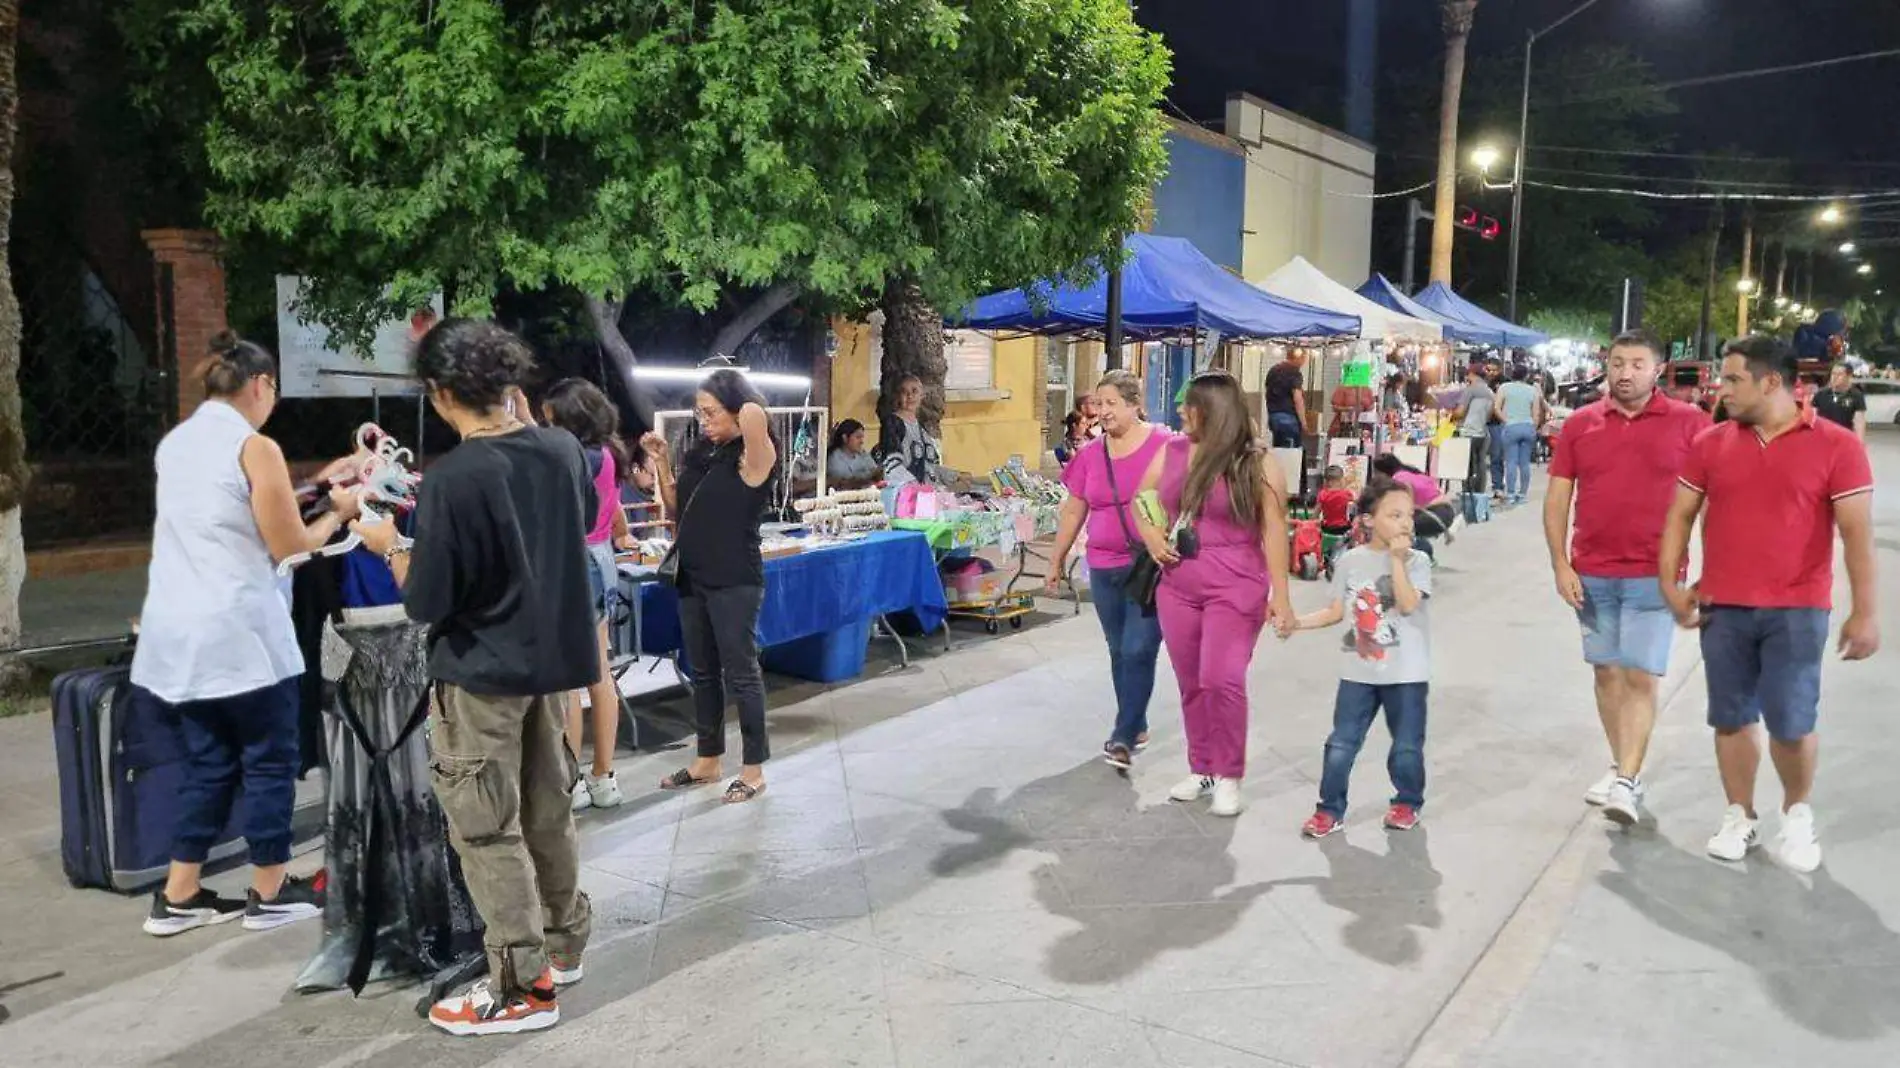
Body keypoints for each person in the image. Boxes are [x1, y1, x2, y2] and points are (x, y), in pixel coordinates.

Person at [352, 318, 597, 1036]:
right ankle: (562, 944)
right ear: (509, 384)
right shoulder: (561, 451)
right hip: (548, 669)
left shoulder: (454, 478)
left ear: (439, 393)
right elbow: (570, 523)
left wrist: (388, 542)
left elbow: (427, 601)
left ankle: (522, 987)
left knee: (488, 832)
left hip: (482, 676)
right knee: (547, 809)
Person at [133, 332, 355, 938]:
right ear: (260, 386)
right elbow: (289, 546)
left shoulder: (176, 444)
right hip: (242, 635)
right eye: (273, 391)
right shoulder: (255, 446)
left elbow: (235, 512)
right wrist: (342, 508)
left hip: (180, 637)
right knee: (267, 761)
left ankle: (178, 895)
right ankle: (270, 888)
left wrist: (318, 482)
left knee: (207, 763)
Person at [1658, 336, 1879, 873]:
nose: (1723, 389)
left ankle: (1796, 814)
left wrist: (1865, 610)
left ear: (1771, 381)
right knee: (1730, 719)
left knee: (1791, 721)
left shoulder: (1835, 446)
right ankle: (1740, 815)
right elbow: (1680, 516)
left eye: (1734, 380)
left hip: (1798, 609)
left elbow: (1856, 534)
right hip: (1723, 606)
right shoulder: (1712, 442)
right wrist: (1671, 583)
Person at [1544, 331, 1708, 826]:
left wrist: (1711, 568)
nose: (1625, 372)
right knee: (1606, 673)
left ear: (1657, 370)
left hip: (1654, 576)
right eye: (1618, 362)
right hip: (1591, 573)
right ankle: (1621, 766)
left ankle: (1628, 780)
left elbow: (1710, 498)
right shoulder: (1580, 425)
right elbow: (1557, 498)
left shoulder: (1691, 423)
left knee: (1639, 674)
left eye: (1637, 363)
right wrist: (1559, 563)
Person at [1135, 370, 1296, 818]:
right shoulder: (1171, 452)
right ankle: (1202, 765)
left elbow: (1275, 529)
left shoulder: (1257, 464)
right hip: (1178, 584)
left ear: (1216, 411)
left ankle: (1228, 773)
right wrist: (1150, 535)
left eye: (1191, 404)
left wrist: (1281, 597)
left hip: (1237, 582)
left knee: (1221, 678)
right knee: (1191, 682)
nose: (1181, 411)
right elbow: (1141, 497)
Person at [643, 369, 779, 804]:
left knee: (741, 673)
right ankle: (708, 759)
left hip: (734, 578)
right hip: (693, 576)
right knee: (702, 671)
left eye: (710, 411)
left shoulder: (754, 456)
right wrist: (663, 461)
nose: (703, 420)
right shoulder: (705, 455)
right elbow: (677, 508)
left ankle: (754, 770)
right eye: (698, 412)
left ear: (737, 410)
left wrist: (735, 397)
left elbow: (756, 413)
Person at [1047, 371, 1172, 769]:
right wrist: (1055, 560)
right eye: (1099, 404)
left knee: (1139, 647)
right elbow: (1073, 510)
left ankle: (1122, 735)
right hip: (1103, 566)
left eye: (1111, 404)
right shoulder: (1090, 454)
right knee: (1119, 650)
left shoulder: (1165, 445)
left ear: (1135, 405)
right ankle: (1135, 724)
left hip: (1150, 566)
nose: (1102, 412)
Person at [1294, 480, 1434, 838]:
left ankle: (1407, 802)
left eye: (1409, 515)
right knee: (1340, 745)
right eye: (1394, 515)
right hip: (1358, 673)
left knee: (1406, 748)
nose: (1405, 523)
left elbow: (1406, 604)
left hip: (1406, 675)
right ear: (1369, 520)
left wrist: (1398, 561)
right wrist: (1296, 623)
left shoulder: (1418, 561)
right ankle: (1329, 810)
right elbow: (1334, 611)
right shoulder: (1351, 561)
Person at [539, 378, 635, 812]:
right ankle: (604, 778)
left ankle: (572, 781)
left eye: (552, 421)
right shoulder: (610, 451)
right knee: (600, 674)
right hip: (602, 559)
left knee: (569, 681)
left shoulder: (579, 457)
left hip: (576, 562)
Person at [874, 374, 949, 486]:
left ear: (921, 396)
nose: (910, 396)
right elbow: (891, 464)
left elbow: (931, 466)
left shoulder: (921, 428)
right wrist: (913, 486)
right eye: (904, 392)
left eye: (914, 391)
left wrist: (955, 476)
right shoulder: (892, 424)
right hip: (903, 495)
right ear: (898, 396)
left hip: (923, 494)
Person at [1370, 453, 1459, 546]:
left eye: (1376, 472)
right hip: (1446, 512)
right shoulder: (1412, 472)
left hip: (1436, 514)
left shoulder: (1399, 478)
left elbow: (1406, 504)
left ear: (1383, 471)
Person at [1496, 366, 1545, 505]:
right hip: (1527, 427)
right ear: (1526, 376)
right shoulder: (1532, 390)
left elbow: (1496, 407)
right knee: (1524, 463)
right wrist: (1533, 427)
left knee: (1511, 462)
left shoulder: (1504, 388)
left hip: (1511, 427)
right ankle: (1522, 494)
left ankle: (1511, 494)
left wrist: (1505, 420)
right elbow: (1536, 413)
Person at [1452, 364, 1496, 496]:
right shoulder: (1490, 392)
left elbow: (1460, 412)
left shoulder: (1470, 390)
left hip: (1469, 431)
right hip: (1483, 432)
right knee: (1480, 462)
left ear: (1472, 374)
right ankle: (1479, 492)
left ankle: (1468, 492)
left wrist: (1451, 414)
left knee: (1467, 464)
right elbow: (1489, 415)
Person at [1264, 348, 1308, 449]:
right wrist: (1303, 422)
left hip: (1274, 417)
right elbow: (1298, 398)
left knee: (1279, 450)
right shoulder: (1294, 373)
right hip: (1289, 418)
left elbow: (1267, 392)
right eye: (1304, 359)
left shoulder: (1273, 370)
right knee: (1291, 453)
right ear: (1298, 358)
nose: (1304, 362)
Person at [1811, 363, 1867, 440]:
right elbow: (1812, 419)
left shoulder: (1856, 395)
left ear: (1849, 376)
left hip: (1845, 438)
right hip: (1823, 437)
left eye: (1840, 374)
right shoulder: (1820, 394)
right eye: (1833, 374)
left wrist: (1860, 442)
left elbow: (1859, 422)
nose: (1835, 377)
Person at [826, 418, 880, 487]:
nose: (861, 442)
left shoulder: (863, 454)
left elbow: (875, 471)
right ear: (845, 438)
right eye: (858, 437)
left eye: (862, 437)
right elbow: (848, 481)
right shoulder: (834, 459)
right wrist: (869, 476)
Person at [1316, 465, 1355, 537]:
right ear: (1340, 480)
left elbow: (1316, 513)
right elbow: (1354, 508)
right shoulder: (1347, 494)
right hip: (1343, 528)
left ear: (1326, 480)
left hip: (1327, 527)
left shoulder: (1322, 494)